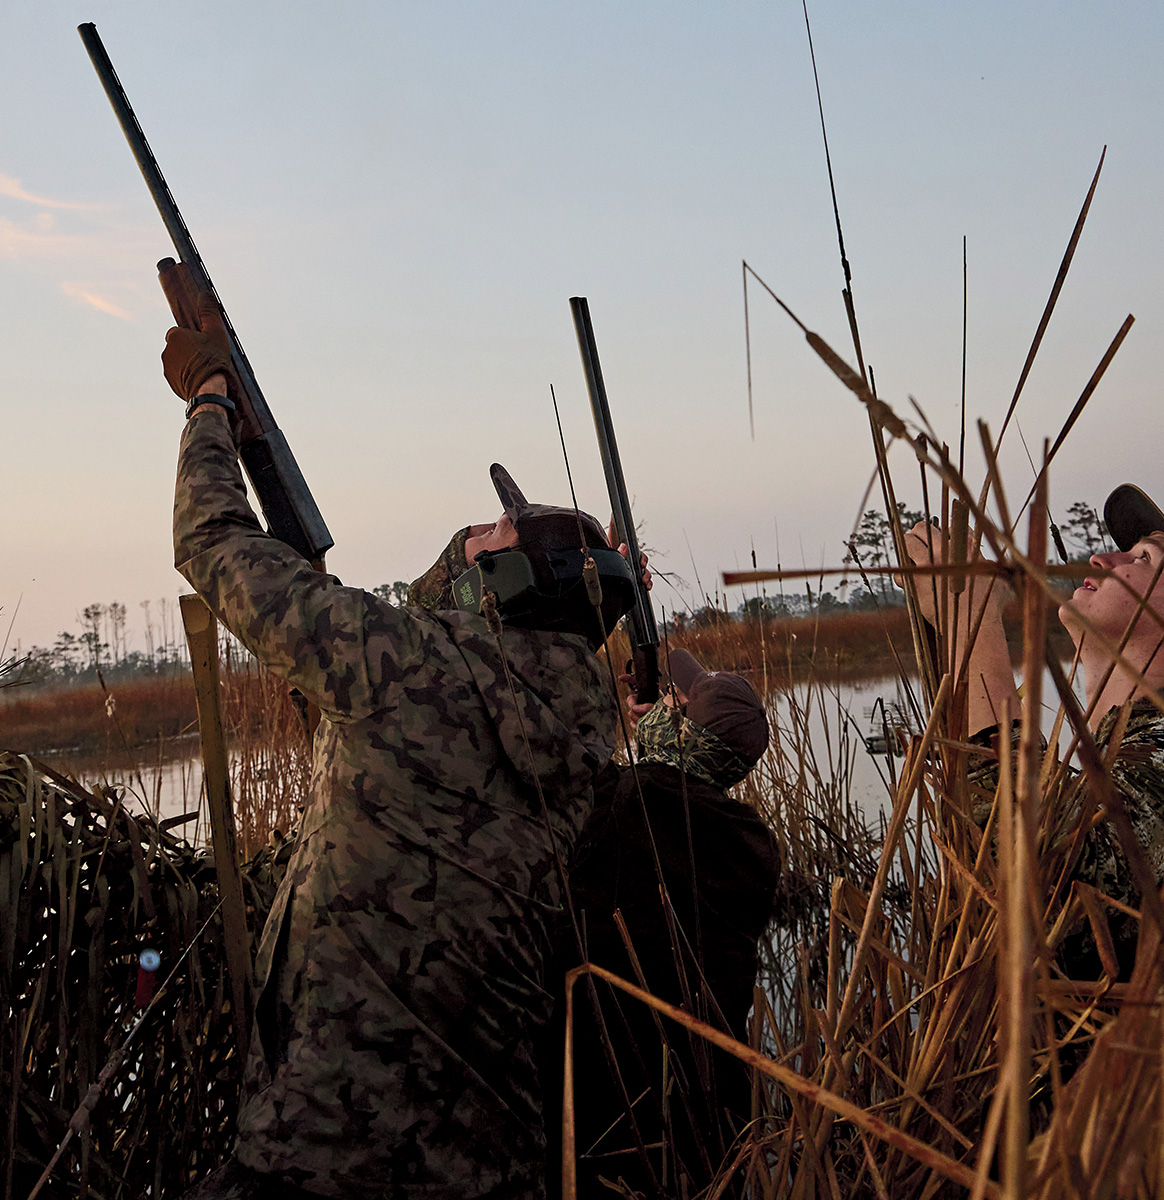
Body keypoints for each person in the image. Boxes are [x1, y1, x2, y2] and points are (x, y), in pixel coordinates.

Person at [164, 297, 651, 1199]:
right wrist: (501, 567)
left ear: (505, 583)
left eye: (493, 541)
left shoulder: (409, 670)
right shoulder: (584, 744)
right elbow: (456, 645)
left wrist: (208, 407)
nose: (474, 542)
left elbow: (216, 545)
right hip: (486, 1166)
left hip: (320, 1150)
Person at [902, 483, 1164, 976]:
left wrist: (970, 624)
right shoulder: (1143, 752)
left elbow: (1037, 890)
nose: (1102, 558)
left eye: (1142, 559)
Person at [543, 648, 780, 1198]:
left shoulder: (620, 803)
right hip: (707, 1103)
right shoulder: (751, 843)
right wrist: (656, 739)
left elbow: (566, 772)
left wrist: (631, 737)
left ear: (683, 734)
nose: (663, 702)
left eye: (675, 702)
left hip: (607, 1102)